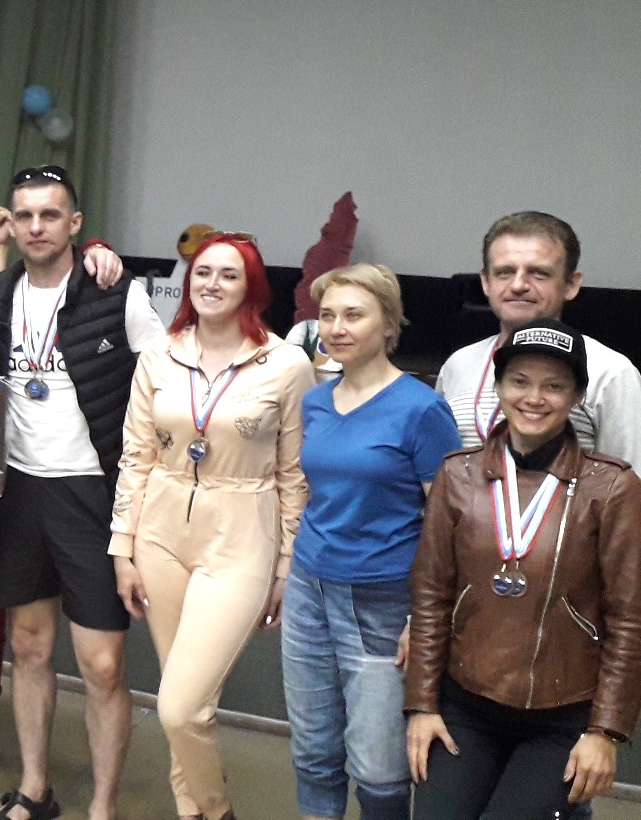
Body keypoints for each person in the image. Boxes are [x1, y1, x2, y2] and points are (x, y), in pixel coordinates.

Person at [0, 166, 166, 820]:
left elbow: (164, 382)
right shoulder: (1, 293)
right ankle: (34, 789)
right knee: (28, 646)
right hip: (20, 489)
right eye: (25, 215)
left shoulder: (119, 294)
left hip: (93, 493)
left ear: (75, 224)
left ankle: (103, 806)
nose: (36, 226)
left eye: (50, 215)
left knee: (103, 664)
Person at [109, 233, 314, 820]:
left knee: (179, 708)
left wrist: (286, 565)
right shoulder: (159, 354)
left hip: (242, 532)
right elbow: (136, 456)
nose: (212, 284)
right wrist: (123, 547)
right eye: (202, 272)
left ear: (251, 286)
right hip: (160, 530)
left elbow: (295, 474)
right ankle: (191, 811)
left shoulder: (286, 363)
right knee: (186, 699)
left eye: (228, 274)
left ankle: (217, 811)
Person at [405, 319, 641, 819]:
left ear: (577, 396)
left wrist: (605, 731)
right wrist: (422, 706)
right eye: (519, 381)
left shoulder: (612, 488)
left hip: (563, 716)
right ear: (498, 387)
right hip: (466, 704)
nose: (534, 398)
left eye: (554, 385)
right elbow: (430, 597)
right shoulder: (457, 474)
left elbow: (630, 618)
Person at [281, 264, 460, 820]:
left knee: (379, 766)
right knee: (313, 751)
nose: (337, 327)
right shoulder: (316, 401)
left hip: (382, 600)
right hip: (308, 589)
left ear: (389, 325)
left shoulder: (421, 409)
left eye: (354, 315)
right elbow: (317, 492)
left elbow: (447, 523)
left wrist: (422, 618)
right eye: (328, 315)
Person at [436, 211, 641, 464]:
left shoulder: (610, 373)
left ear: (571, 284)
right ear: (486, 282)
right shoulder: (457, 366)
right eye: (504, 272)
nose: (518, 285)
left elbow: (630, 479)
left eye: (538, 273)